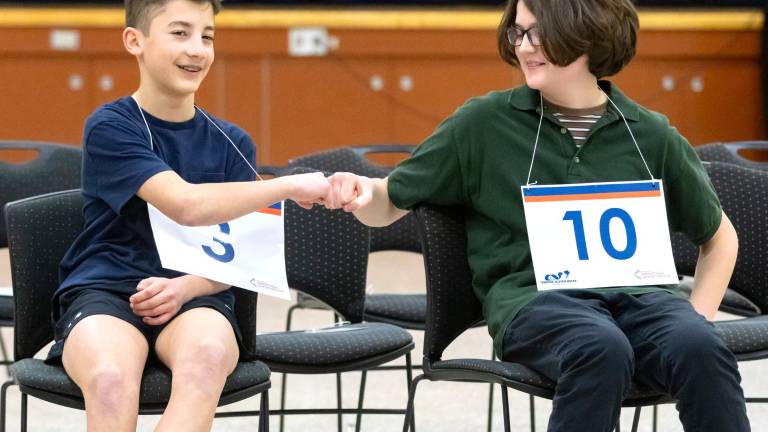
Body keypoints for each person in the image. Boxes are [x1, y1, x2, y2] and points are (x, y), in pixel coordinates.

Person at [324, 0, 750, 430]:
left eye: (537, 33)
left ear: (587, 33)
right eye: (518, 32)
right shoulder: (483, 124)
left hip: (646, 300)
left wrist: (699, 316)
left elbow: (719, 237)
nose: (524, 46)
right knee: (600, 348)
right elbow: (390, 199)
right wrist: (364, 194)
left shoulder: (652, 134)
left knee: (700, 345)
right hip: (539, 304)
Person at [50, 0, 329, 430]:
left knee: (207, 359)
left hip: (197, 295)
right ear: (135, 41)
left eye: (207, 36)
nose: (197, 49)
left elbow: (246, 256)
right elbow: (185, 204)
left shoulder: (233, 141)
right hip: (106, 291)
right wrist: (287, 185)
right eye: (180, 33)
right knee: (109, 379)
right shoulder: (110, 126)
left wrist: (185, 289)